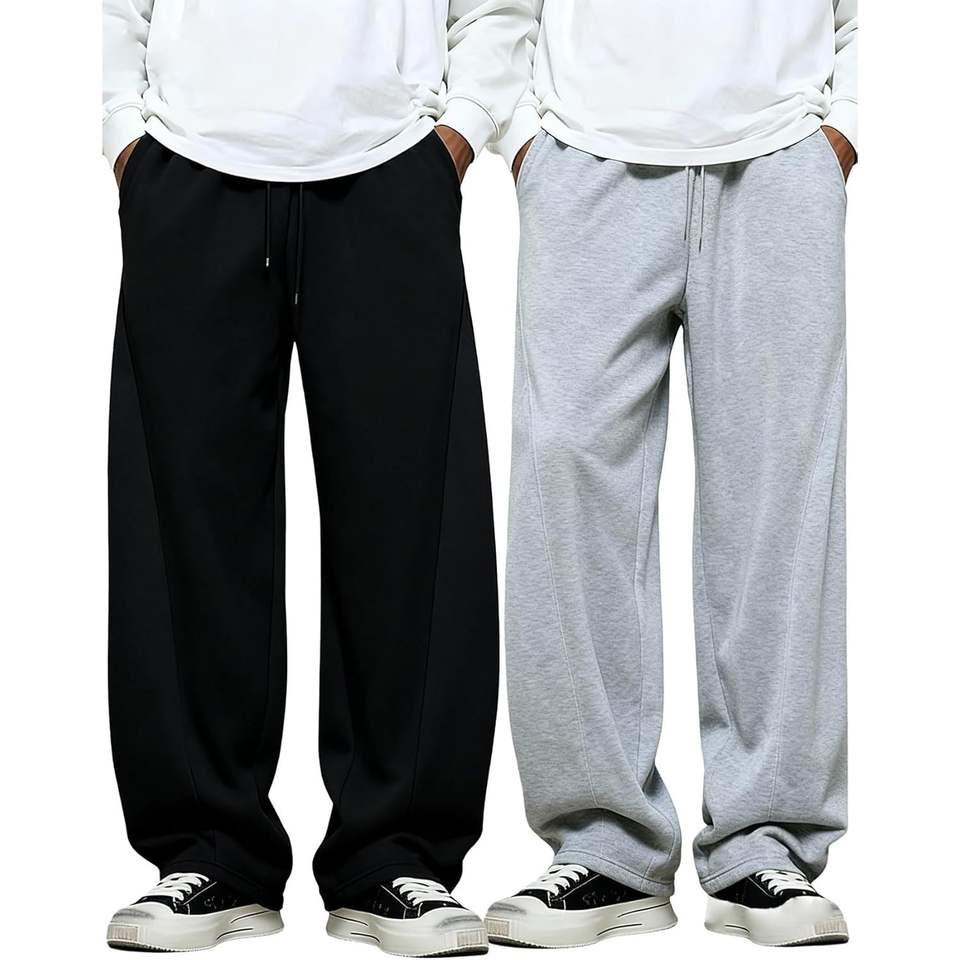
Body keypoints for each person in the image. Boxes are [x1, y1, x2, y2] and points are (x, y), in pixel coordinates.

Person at [101, 2, 530, 954]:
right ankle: (210, 853)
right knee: (186, 524)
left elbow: (495, 10)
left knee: (411, 522)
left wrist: (461, 131)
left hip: (390, 162)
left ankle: (396, 855)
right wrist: (124, 128)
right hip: (190, 159)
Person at [486, 0, 857, 948]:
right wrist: (522, 136)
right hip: (583, 149)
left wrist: (844, 123)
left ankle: (766, 842)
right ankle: (603, 845)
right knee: (567, 484)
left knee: (780, 499)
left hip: (779, 150)